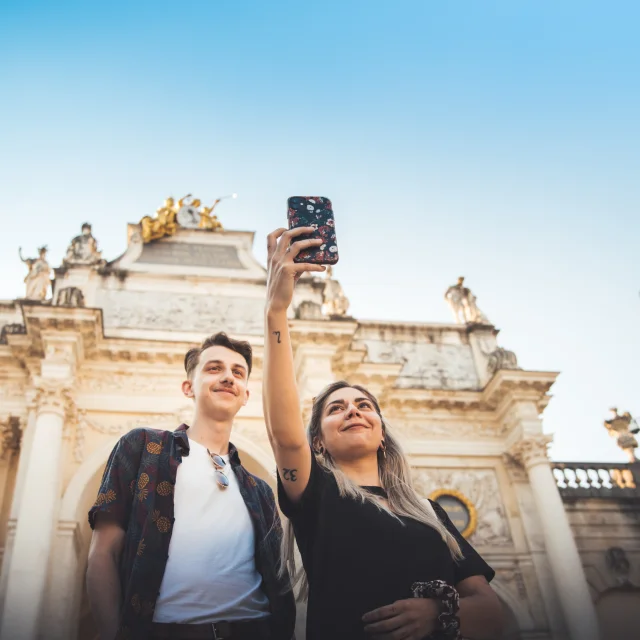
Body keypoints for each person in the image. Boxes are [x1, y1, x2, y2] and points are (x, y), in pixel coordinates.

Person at [262, 226, 504, 640]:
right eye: (335, 409)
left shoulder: (429, 512)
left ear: (382, 432)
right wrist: (276, 311)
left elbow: (496, 614)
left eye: (364, 405)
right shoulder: (317, 494)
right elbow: (285, 436)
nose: (353, 410)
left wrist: (439, 614)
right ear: (317, 440)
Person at [86, 332, 295, 640]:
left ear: (245, 394)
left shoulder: (260, 490)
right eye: (214, 368)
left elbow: (278, 577)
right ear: (188, 387)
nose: (228, 377)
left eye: (238, 373)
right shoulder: (142, 448)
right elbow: (102, 554)